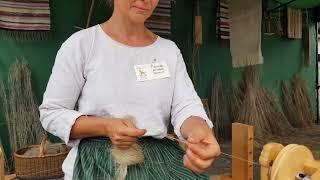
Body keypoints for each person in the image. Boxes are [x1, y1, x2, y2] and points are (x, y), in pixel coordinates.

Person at [39, 0, 221, 179]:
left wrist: (199, 130)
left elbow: (186, 106)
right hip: (96, 161)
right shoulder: (82, 44)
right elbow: (52, 113)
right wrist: (105, 126)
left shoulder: (168, 51)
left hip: (160, 160)